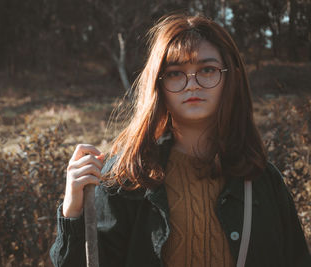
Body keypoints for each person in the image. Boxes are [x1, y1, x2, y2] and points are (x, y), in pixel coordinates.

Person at [50, 13, 311, 267]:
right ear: (158, 85)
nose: (192, 84)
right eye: (175, 73)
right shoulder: (126, 178)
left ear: (230, 78)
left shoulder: (263, 180)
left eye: (207, 69)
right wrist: (73, 210)